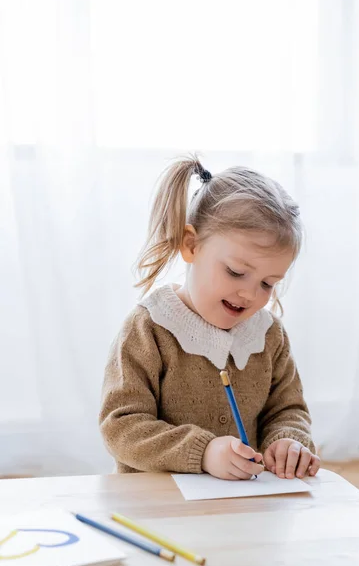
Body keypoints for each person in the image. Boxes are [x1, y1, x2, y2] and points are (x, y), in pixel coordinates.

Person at [99, 156, 320, 481]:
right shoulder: (149, 328)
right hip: (157, 504)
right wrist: (202, 453)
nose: (249, 294)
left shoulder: (268, 335)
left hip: (241, 506)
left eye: (267, 284)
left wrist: (287, 441)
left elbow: (288, 410)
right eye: (236, 272)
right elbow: (120, 426)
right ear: (191, 246)